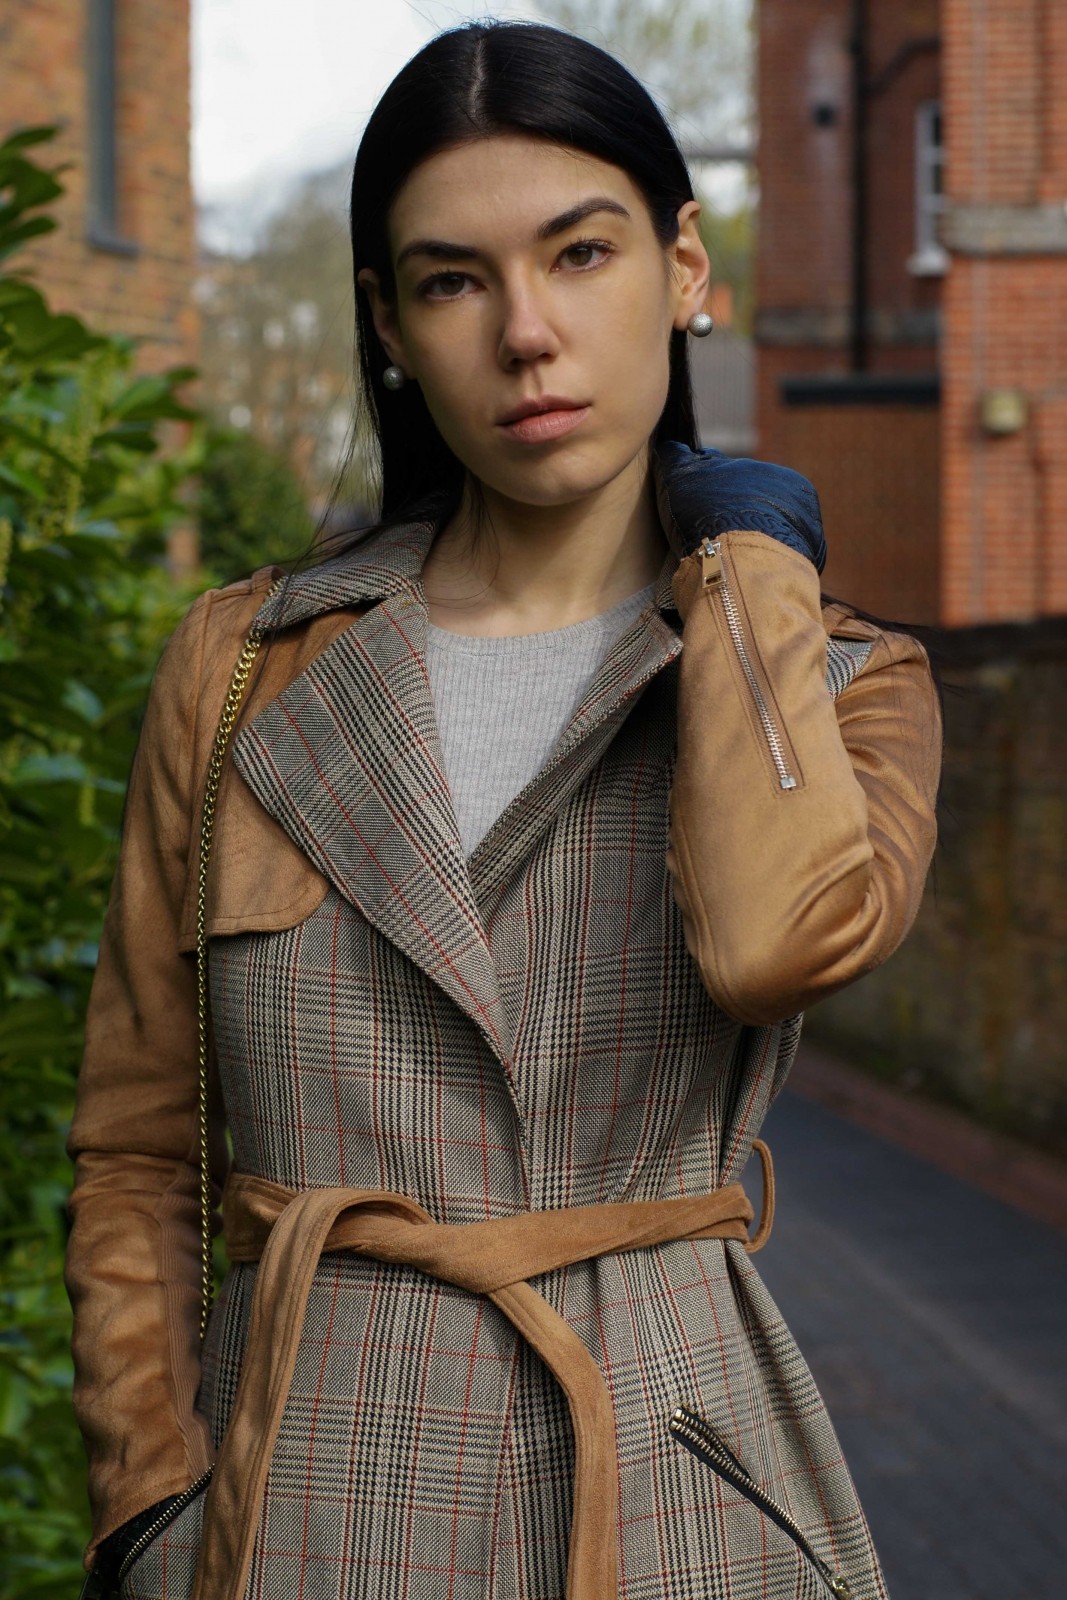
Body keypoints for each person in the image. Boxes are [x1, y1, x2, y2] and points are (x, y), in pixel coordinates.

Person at [66, 20, 941, 1600]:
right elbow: (137, 1144)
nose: (528, 332)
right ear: (388, 326)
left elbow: (767, 947)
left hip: (673, 1492)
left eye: (582, 253)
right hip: (298, 1502)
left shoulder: (842, 682)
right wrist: (149, 1500)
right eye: (455, 279)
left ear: (687, 267)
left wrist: (751, 576)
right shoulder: (247, 665)